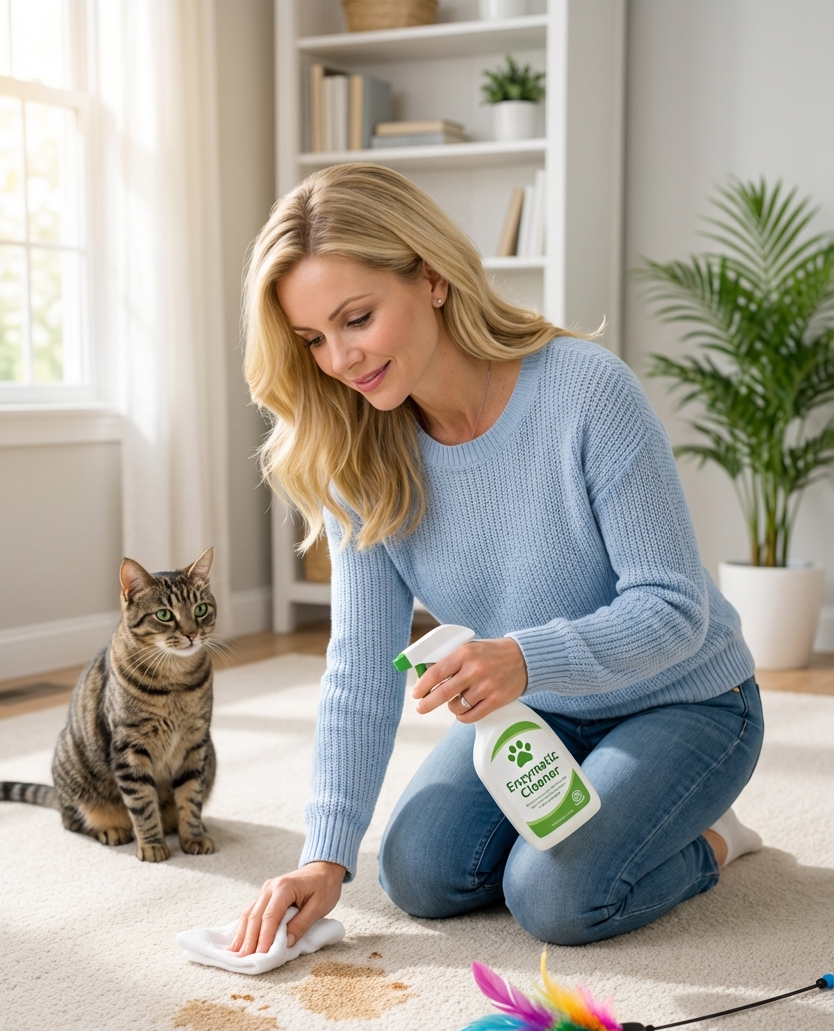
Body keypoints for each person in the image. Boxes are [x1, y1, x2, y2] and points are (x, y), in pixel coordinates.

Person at [231, 163, 763, 957]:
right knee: (416, 875)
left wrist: (521, 656)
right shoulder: (358, 452)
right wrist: (325, 855)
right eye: (313, 339)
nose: (339, 359)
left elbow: (674, 607)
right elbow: (362, 664)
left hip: (686, 700)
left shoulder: (584, 392)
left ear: (434, 278)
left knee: (552, 895)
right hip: (537, 707)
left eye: (358, 318)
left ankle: (714, 837)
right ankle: (613, 814)